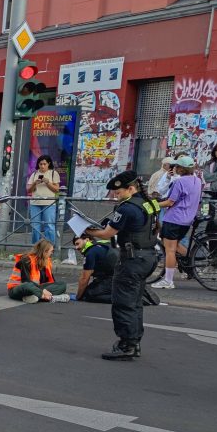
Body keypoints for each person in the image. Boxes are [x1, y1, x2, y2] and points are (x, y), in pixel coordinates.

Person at [83, 170, 161, 361]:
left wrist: (87, 230)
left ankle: (127, 345)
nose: (116, 196)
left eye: (118, 193)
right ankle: (134, 342)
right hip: (149, 256)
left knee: (123, 302)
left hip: (132, 259)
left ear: (131, 188)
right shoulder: (148, 203)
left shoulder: (127, 208)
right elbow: (155, 227)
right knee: (134, 302)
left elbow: (107, 233)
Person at [151, 153, 202, 290]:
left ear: (181, 168)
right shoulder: (197, 181)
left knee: (170, 250)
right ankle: (192, 262)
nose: (175, 167)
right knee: (176, 244)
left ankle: (168, 280)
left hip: (174, 219)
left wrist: (153, 205)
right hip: (187, 220)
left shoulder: (179, 182)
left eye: (177, 166)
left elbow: (170, 202)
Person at [26, 155, 62, 244]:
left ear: (48, 164)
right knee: (35, 226)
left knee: (49, 225)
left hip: (49, 203)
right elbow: (29, 190)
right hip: (35, 203)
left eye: (44, 164)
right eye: (40, 164)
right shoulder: (34, 174)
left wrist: (47, 182)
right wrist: (35, 183)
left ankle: (49, 247)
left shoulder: (53, 173)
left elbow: (57, 189)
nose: (42, 166)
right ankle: (35, 246)